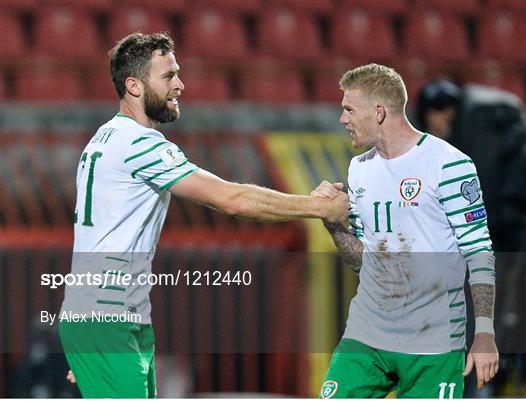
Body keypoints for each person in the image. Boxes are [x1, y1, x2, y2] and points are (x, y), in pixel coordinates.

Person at [58, 32, 349, 398]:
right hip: (107, 318)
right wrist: (318, 206)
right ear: (133, 85)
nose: (180, 85)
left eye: (177, 73)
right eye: (168, 76)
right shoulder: (138, 143)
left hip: (112, 317)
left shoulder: (103, 138)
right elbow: (233, 199)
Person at [313, 64, 499, 398]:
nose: (343, 119)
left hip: (434, 343)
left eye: (349, 109)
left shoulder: (449, 165)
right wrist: (333, 225)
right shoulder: (359, 169)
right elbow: (363, 261)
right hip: (367, 336)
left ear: (379, 112)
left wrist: (484, 332)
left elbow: (479, 250)